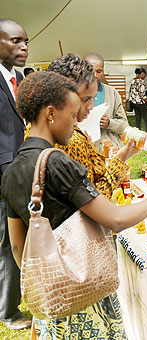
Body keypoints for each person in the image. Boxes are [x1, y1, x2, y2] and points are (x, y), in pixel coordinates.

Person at [2, 71, 147, 340]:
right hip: (85, 295)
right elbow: (114, 218)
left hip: (54, 302)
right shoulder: (57, 162)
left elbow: (17, 246)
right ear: (50, 114)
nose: (75, 124)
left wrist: (50, 281)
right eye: (71, 115)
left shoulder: (12, 171)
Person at [25, 54, 136, 199]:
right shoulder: (70, 140)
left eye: (99, 71)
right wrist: (120, 159)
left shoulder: (34, 129)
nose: (91, 107)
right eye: (85, 99)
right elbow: (93, 200)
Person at [0, 18, 31, 330]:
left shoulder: (18, 78)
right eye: (15, 41)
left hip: (20, 170)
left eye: (26, 42)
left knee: (18, 239)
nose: (23, 47)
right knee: (9, 243)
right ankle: (8, 311)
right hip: (4, 176)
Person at [84, 53, 129, 152]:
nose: (95, 75)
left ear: (103, 71)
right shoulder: (75, 93)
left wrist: (109, 123)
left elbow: (124, 126)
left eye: (99, 71)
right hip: (85, 151)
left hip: (110, 151)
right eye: (90, 71)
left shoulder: (112, 93)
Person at [129, 68, 147, 133]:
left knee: (138, 118)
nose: (145, 76)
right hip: (141, 103)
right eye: (144, 74)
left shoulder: (133, 80)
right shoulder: (141, 81)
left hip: (134, 103)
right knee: (146, 119)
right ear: (142, 73)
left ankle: (137, 133)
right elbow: (143, 95)